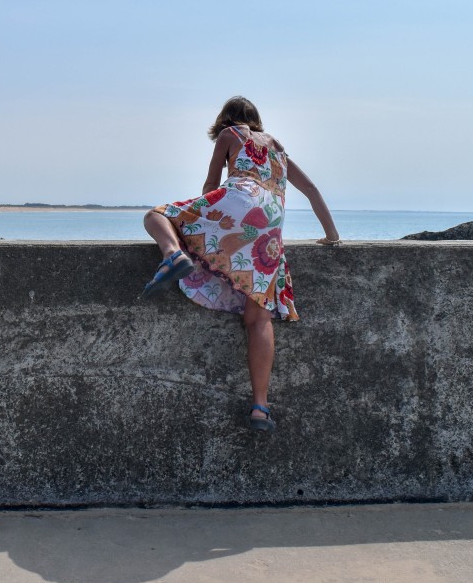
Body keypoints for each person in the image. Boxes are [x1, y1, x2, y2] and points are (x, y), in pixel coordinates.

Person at [141, 96, 340, 432]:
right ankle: (260, 408)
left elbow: (210, 184)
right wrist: (332, 235)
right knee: (258, 316)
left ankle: (173, 255)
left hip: (239, 199)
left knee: (157, 215)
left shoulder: (230, 134)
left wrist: (199, 213)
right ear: (257, 119)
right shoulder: (277, 145)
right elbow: (311, 188)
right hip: (270, 224)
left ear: (225, 119)